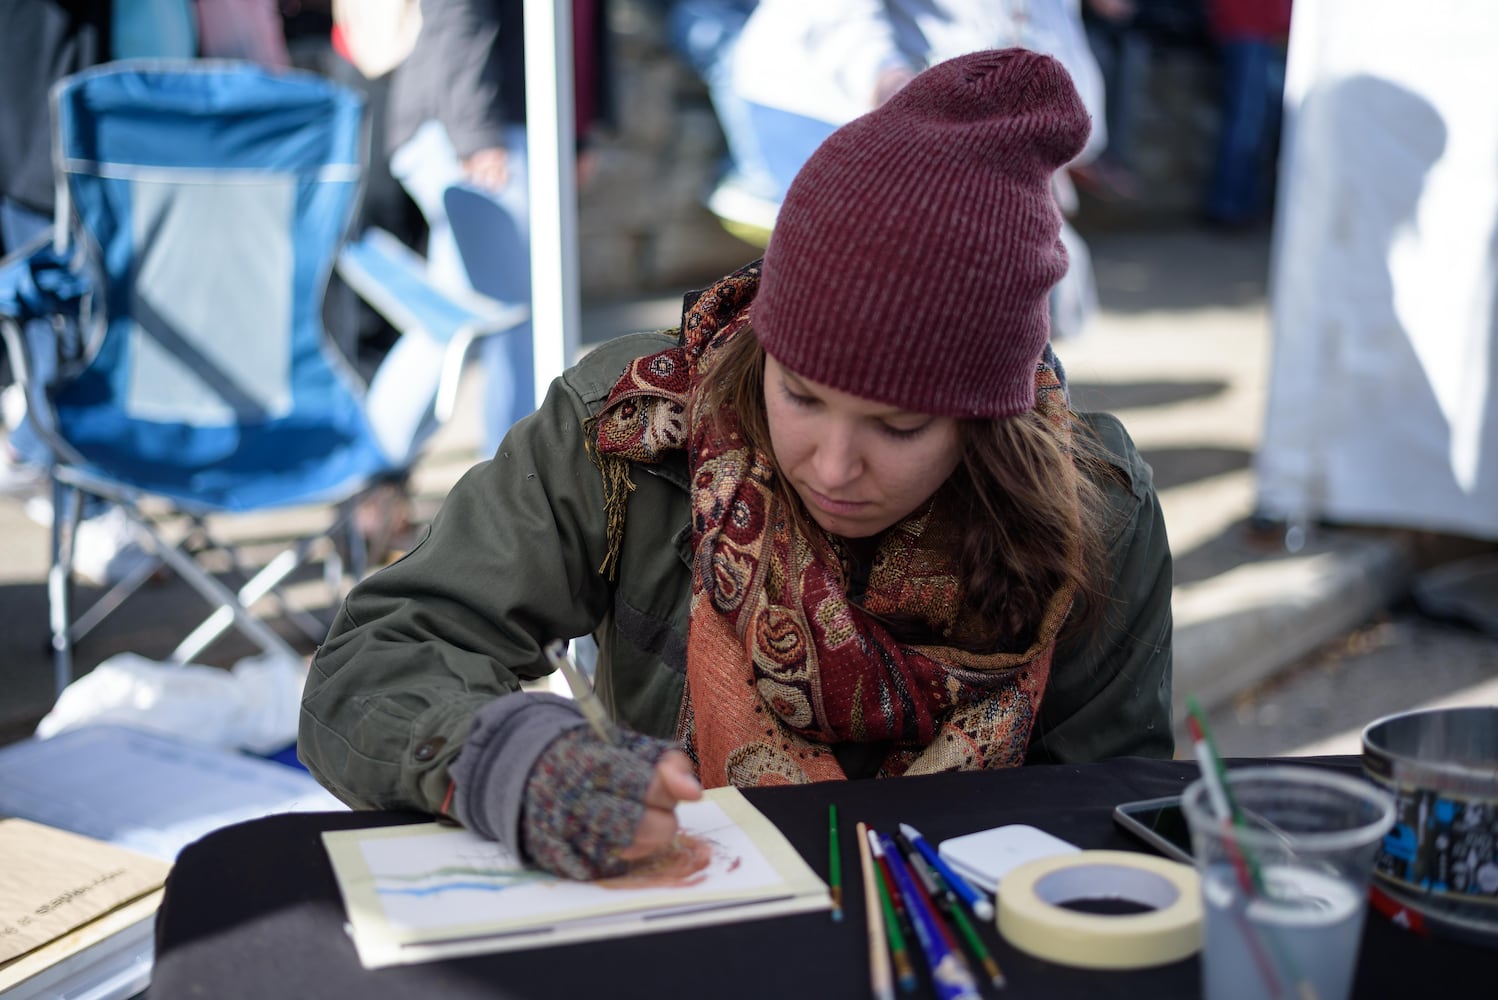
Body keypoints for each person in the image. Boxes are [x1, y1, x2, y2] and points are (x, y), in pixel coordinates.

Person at [300, 48, 1174, 882]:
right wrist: (499, 758)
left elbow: (1108, 818)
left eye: (900, 427)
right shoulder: (635, 427)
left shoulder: (1095, 512)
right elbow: (376, 656)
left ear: (988, 422)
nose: (833, 465)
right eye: (799, 394)